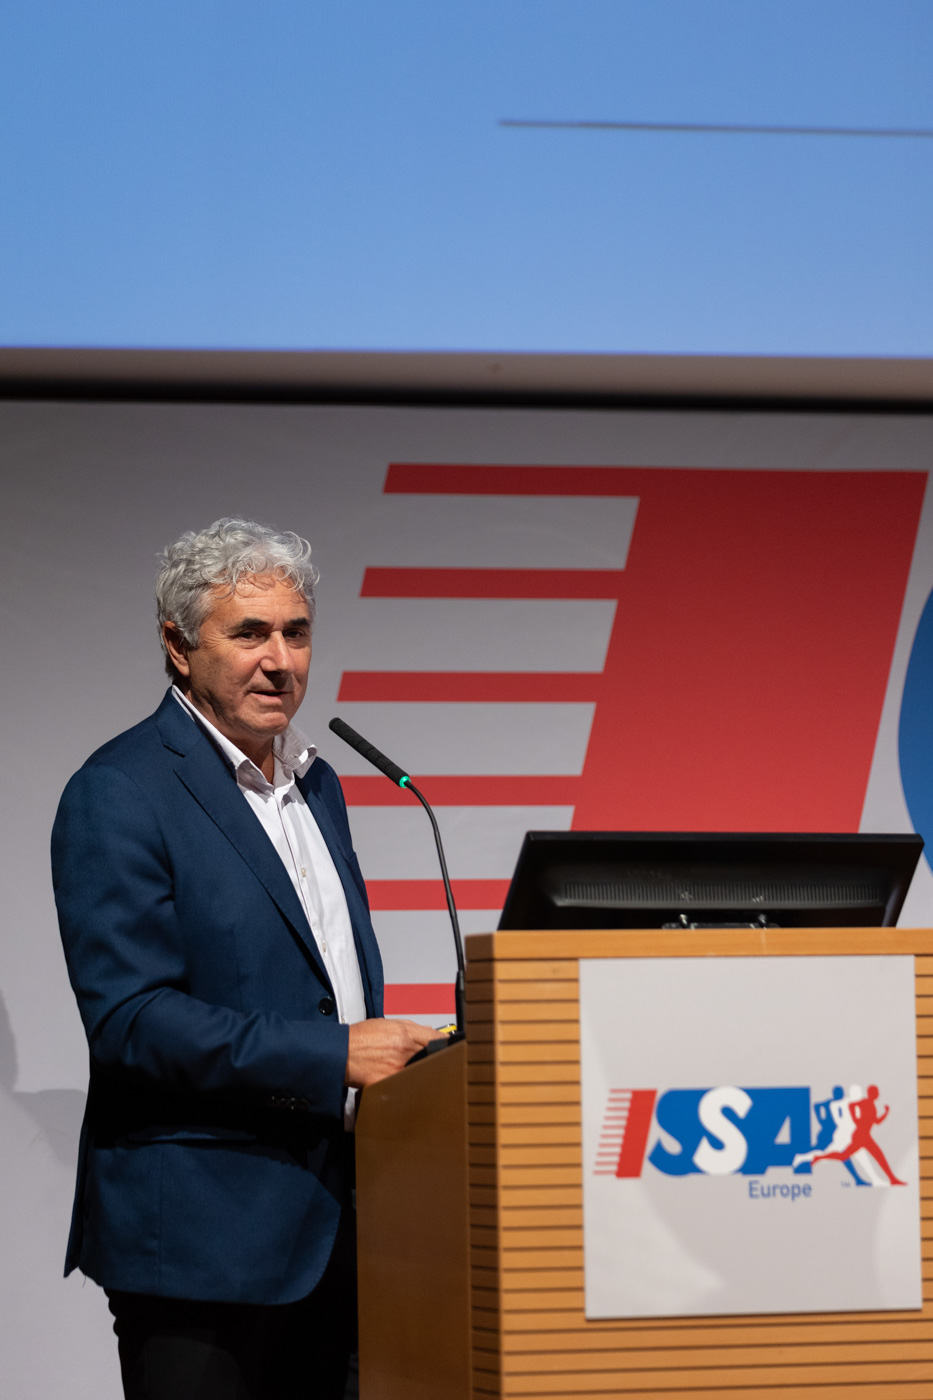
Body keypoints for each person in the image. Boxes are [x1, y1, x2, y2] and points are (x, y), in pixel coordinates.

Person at [51, 517, 438, 1400]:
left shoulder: (319, 783)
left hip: (342, 1229)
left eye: (296, 633)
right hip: (202, 1241)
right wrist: (334, 1055)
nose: (280, 661)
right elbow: (131, 1022)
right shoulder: (119, 791)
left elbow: (321, 978)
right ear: (178, 646)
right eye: (250, 634)